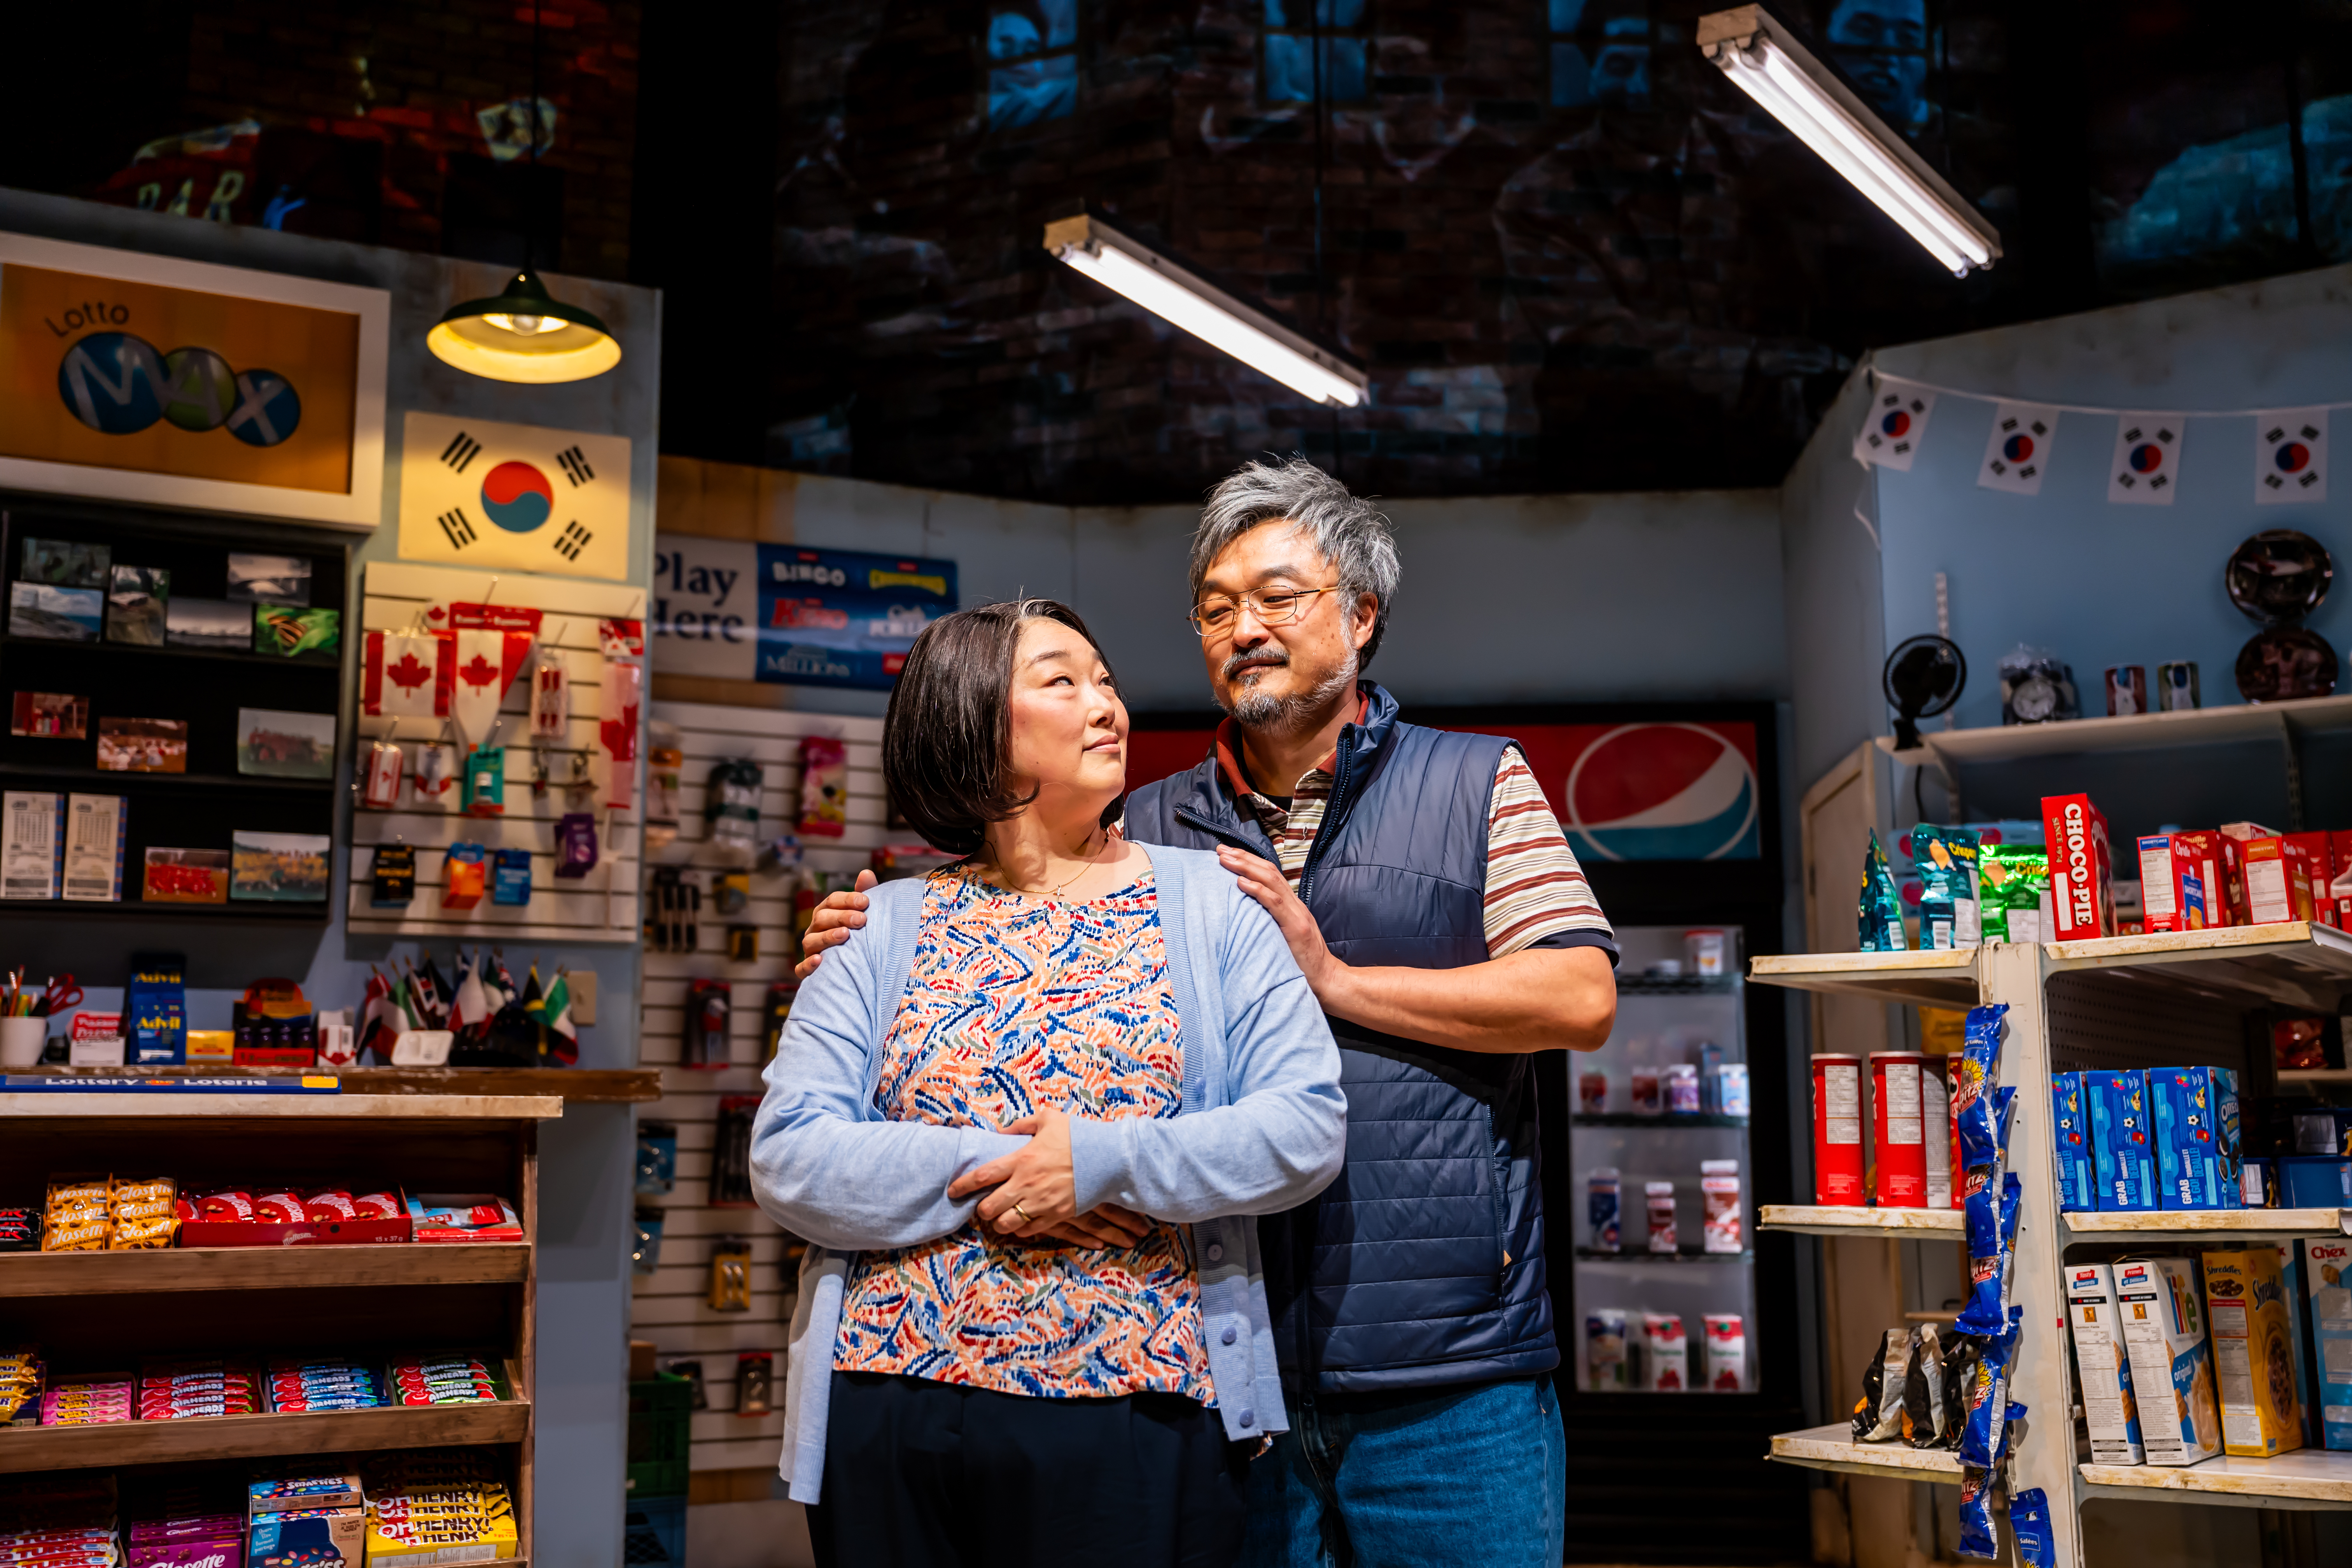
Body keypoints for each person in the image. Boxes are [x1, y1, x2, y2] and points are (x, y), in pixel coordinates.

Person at [798, 458, 1620, 1566]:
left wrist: (1337, 983)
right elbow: (1015, 914)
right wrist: (874, 935)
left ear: (1362, 614)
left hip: (1444, 1355)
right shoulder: (1150, 824)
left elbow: (1580, 996)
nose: (1246, 629)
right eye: (1217, 609)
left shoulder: (1476, 781)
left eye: (1279, 597)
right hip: (1234, 1352)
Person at [751, 597, 1347, 1568]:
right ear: (975, 722)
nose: (1107, 704)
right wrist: (1020, 1168)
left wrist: (1104, 1161)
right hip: (891, 1407)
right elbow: (791, 1159)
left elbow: (1305, 1128)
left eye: (1106, 680)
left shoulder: (1215, 905)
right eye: (1064, 682)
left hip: (1142, 1406)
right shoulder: (879, 926)